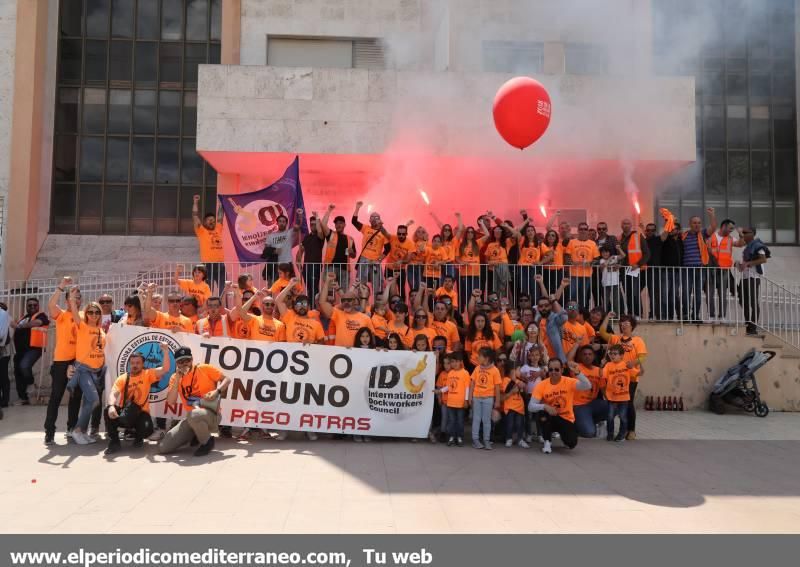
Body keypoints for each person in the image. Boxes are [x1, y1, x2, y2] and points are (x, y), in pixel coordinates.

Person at [158, 346, 231, 457]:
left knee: (193, 415)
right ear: (176, 363)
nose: (184, 364)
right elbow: (171, 402)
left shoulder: (204, 368)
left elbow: (227, 379)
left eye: (187, 360)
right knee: (164, 447)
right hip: (192, 417)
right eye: (180, 362)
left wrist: (217, 391)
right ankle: (194, 435)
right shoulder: (174, 377)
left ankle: (207, 442)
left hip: (211, 414)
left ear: (192, 359)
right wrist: (177, 379)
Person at [104, 343, 171, 455]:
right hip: (126, 414)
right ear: (130, 364)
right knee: (107, 411)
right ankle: (114, 442)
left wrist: (165, 352)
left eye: (138, 363)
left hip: (141, 413)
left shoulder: (148, 374)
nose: (135, 365)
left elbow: (165, 369)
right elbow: (113, 394)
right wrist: (111, 406)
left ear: (143, 363)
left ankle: (138, 437)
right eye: (133, 363)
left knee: (147, 429)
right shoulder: (123, 378)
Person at [43, 278, 85, 444]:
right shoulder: (60, 315)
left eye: (79, 297)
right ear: (67, 300)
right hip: (61, 361)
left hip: (78, 361)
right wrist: (62, 286)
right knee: (56, 396)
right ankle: (49, 431)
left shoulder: (83, 315)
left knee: (76, 396)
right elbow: (51, 305)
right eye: (73, 297)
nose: (77, 299)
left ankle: (71, 428)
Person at [528, 358, 592, 454]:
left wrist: (578, 373)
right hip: (550, 416)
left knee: (571, 443)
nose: (553, 372)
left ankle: (564, 436)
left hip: (566, 418)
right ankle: (547, 442)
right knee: (542, 413)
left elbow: (587, 386)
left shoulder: (569, 382)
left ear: (562, 370)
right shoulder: (541, 385)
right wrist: (545, 406)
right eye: (551, 369)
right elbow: (530, 406)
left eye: (557, 369)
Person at [599, 313, 647, 440]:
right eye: (622, 322)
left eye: (627, 323)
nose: (624, 325)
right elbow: (602, 332)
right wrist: (608, 317)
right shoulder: (616, 339)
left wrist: (634, 363)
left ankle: (631, 430)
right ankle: (616, 430)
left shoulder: (638, 340)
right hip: (614, 377)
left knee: (628, 403)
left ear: (632, 326)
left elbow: (642, 356)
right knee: (614, 403)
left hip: (630, 378)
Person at [65, 297, 105, 445]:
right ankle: (77, 430)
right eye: (91, 312)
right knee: (94, 400)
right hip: (83, 370)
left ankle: (83, 431)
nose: (94, 314)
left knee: (90, 401)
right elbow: (75, 313)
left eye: (97, 312)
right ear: (86, 313)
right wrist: (72, 298)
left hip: (97, 371)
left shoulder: (101, 331)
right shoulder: (82, 326)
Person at [10, 297, 49, 406]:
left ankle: (31, 384)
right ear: (26, 306)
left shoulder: (41, 315)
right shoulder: (24, 317)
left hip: (34, 348)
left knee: (24, 366)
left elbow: (37, 323)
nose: (32, 307)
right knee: (18, 373)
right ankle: (23, 398)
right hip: (20, 350)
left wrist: (19, 326)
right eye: (30, 305)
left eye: (34, 305)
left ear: (38, 306)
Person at [680, 208, 717, 322]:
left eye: (699, 223)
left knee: (697, 293)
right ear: (690, 224)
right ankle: (686, 315)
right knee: (686, 293)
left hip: (700, 269)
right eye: (694, 223)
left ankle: (695, 315)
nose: (697, 225)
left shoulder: (703, 234)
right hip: (686, 269)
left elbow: (713, 228)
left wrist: (711, 215)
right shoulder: (683, 236)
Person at [318, 273, 374, 347]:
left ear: (355, 301)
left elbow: (372, 337)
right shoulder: (338, 314)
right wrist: (327, 281)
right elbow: (322, 302)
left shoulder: (365, 318)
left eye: (349, 300)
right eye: (343, 300)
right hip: (341, 355)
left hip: (359, 355)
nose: (346, 302)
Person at [602, 344, 640, 442]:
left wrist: (638, 363)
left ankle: (622, 433)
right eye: (611, 354)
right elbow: (602, 376)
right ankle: (610, 434)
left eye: (615, 354)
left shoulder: (626, 365)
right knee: (610, 417)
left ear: (622, 355)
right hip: (611, 398)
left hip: (624, 398)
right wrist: (601, 365)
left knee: (623, 417)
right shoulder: (608, 365)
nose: (613, 356)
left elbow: (638, 373)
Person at [351, 201, 391, 294]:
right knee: (361, 284)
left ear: (380, 220)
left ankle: (377, 306)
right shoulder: (366, 228)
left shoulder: (383, 233)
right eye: (372, 217)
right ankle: (361, 304)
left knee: (377, 286)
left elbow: (388, 248)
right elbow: (354, 221)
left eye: (376, 217)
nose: (374, 219)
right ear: (369, 220)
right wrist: (357, 208)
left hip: (375, 262)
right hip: (364, 259)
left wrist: (380, 259)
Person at [738, 227, 770, 336]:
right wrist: (740, 265)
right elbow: (744, 264)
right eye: (743, 233)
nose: (744, 234)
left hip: (753, 277)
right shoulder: (747, 247)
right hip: (745, 277)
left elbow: (763, 259)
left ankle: (753, 327)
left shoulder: (757, 245)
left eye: (746, 233)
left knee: (752, 302)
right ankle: (748, 324)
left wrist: (748, 264)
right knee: (743, 301)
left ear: (753, 234)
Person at [708, 218, 742, 320]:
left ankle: (722, 316)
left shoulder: (731, 239)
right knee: (710, 293)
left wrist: (740, 234)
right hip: (711, 268)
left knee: (722, 293)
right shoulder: (711, 236)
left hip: (724, 270)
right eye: (730, 228)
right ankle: (711, 316)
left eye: (732, 229)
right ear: (724, 226)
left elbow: (740, 244)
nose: (731, 230)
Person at [192, 194, 226, 295]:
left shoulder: (218, 229)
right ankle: (207, 308)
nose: (212, 221)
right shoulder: (201, 231)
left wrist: (221, 203)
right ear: (204, 222)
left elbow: (220, 217)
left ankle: (223, 309)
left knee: (223, 290)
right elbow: (194, 216)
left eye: (213, 220)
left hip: (220, 265)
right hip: (207, 265)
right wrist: (195, 202)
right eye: (209, 220)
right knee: (207, 290)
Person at [469, 347, 501, 450]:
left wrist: (497, 400)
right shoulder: (477, 368)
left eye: (480, 356)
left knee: (486, 420)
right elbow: (472, 383)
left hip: (488, 398)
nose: (477, 357)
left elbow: (497, 387)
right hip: (477, 397)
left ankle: (486, 440)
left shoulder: (495, 370)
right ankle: (475, 440)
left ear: (486, 358)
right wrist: (470, 397)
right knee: (476, 419)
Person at [319, 205, 356, 292]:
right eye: (336, 223)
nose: (338, 225)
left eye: (340, 223)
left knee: (344, 293)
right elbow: (323, 224)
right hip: (331, 267)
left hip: (344, 269)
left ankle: (341, 305)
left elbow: (353, 255)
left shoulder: (350, 239)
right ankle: (329, 305)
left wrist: (351, 252)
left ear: (344, 225)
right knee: (329, 293)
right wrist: (329, 210)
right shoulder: (331, 234)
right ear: (334, 225)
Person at [275, 280, 326, 345]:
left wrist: (312, 344)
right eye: (299, 304)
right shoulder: (289, 317)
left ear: (308, 306)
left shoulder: (316, 324)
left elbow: (322, 342)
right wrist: (290, 285)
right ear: (295, 306)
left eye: (304, 304)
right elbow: (279, 301)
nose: (302, 306)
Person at [573, 345, 607, 438]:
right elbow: (567, 360)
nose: (587, 356)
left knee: (616, 406)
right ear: (580, 357)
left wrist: (612, 402)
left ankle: (593, 421)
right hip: (579, 406)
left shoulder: (598, 370)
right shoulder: (576, 367)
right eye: (584, 354)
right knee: (589, 433)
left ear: (594, 356)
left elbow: (603, 389)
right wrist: (576, 344)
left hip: (593, 403)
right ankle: (576, 423)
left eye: (589, 354)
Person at [437, 352, 470, 447]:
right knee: (451, 421)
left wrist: (466, 400)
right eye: (452, 362)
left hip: (460, 403)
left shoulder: (465, 373)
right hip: (450, 402)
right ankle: (451, 436)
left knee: (460, 421)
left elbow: (467, 388)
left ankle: (459, 437)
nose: (454, 364)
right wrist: (440, 391)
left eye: (456, 362)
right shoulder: (450, 373)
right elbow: (448, 386)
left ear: (461, 362)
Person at [619, 218, 650, 318]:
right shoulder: (619, 238)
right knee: (627, 292)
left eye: (628, 223)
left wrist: (638, 264)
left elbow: (647, 253)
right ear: (621, 226)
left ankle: (637, 314)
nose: (626, 225)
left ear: (631, 225)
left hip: (635, 269)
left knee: (635, 292)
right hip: (623, 269)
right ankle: (630, 313)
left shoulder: (638, 236)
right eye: (624, 223)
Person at [534, 275, 569, 363]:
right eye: (541, 306)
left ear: (551, 306)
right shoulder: (536, 319)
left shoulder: (555, 319)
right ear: (538, 308)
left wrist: (554, 300)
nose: (544, 308)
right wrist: (541, 283)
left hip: (556, 361)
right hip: (538, 362)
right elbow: (545, 300)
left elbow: (564, 316)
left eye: (546, 306)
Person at [261, 210, 303, 284]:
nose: (281, 223)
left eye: (283, 221)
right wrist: (274, 251)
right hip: (274, 265)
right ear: (277, 223)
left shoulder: (290, 232)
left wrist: (300, 214)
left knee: (288, 287)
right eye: (280, 221)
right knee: (272, 286)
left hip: (286, 264)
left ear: (286, 223)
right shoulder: (271, 235)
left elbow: (298, 225)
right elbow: (266, 251)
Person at [565, 222, 600, 310]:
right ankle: (571, 311)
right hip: (573, 274)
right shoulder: (572, 242)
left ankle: (581, 314)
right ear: (578, 230)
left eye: (585, 229)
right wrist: (572, 263)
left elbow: (597, 259)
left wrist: (590, 263)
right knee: (572, 295)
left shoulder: (592, 243)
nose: (583, 231)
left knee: (583, 296)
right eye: (581, 229)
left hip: (586, 275)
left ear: (588, 231)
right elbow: (567, 256)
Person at [297, 211, 326, 307]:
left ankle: (315, 308)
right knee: (309, 288)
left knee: (314, 288)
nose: (313, 226)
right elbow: (300, 252)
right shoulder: (307, 238)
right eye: (311, 224)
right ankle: (310, 307)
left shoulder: (320, 236)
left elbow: (320, 231)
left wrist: (317, 217)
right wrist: (299, 266)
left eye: (314, 224)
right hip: (306, 267)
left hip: (315, 266)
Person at [501, 361, 529, 448]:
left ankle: (520, 439)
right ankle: (508, 438)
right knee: (510, 423)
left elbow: (524, 389)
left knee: (520, 424)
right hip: (510, 407)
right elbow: (506, 391)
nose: (519, 372)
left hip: (519, 407)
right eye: (518, 370)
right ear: (511, 371)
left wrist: (523, 385)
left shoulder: (518, 380)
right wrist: (513, 383)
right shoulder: (505, 380)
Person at [384, 221, 415, 300]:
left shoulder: (410, 243)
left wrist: (401, 261)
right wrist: (380, 226)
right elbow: (385, 233)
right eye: (399, 234)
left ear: (406, 234)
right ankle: (390, 307)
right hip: (389, 269)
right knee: (389, 288)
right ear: (397, 233)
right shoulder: (393, 237)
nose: (401, 236)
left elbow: (408, 259)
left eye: (403, 234)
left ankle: (402, 307)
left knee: (401, 289)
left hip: (401, 270)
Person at [659, 221, 683, 320]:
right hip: (666, 271)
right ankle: (665, 317)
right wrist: (669, 223)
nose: (673, 230)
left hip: (677, 272)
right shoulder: (666, 239)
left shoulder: (681, 241)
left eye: (675, 229)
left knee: (674, 295)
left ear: (678, 230)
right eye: (671, 229)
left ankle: (673, 315)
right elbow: (663, 237)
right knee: (665, 295)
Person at [598, 244, 624, 314]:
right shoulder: (601, 260)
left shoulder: (614, 258)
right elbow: (604, 265)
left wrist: (619, 249)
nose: (605, 254)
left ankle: (617, 315)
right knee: (605, 301)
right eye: (603, 252)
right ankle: (604, 315)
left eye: (606, 252)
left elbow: (623, 255)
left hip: (615, 283)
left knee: (616, 300)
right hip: (606, 283)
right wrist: (610, 258)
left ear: (609, 252)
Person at [0, 303, 10, 415]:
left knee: (3, 376)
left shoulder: (4, 315)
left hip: (4, 350)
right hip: (3, 350)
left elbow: (2, 335)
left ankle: (5, 400)